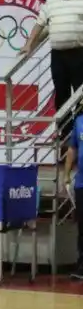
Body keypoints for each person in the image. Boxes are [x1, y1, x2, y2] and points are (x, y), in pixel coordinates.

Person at [21, 0, 83, 144]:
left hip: (79, 54)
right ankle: (65, 134)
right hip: (58, 56)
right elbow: (40, 24)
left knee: (80, 97)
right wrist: (28, 45)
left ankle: (80, 133)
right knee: (61, 95)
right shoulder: (52, 1)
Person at [65, 112, 83, 280]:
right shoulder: (79, 121)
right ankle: (81, 266)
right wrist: (66, 175)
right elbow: (72, 149)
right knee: (82, 227)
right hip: (81, 184)